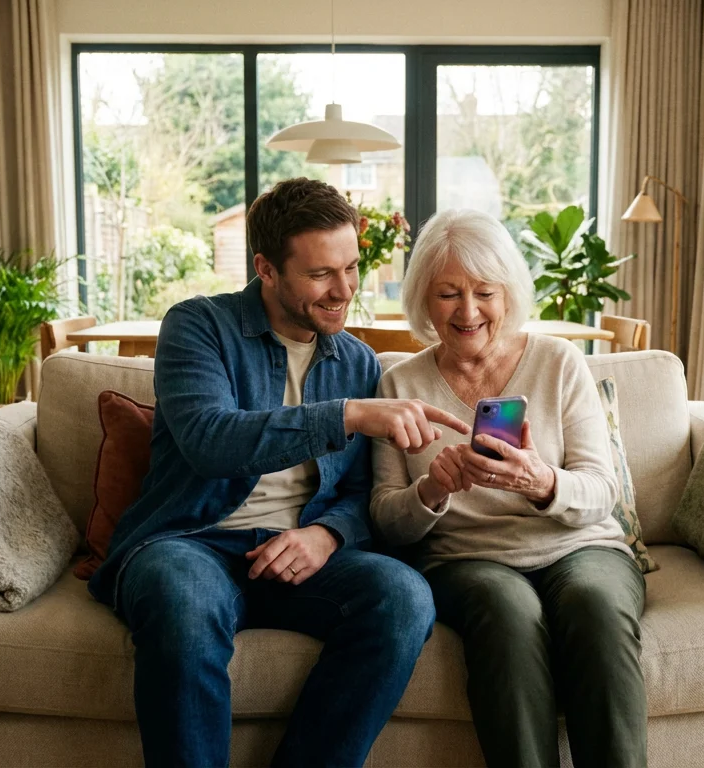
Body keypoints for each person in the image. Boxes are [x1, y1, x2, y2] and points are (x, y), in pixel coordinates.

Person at [89, 178, 470, 768]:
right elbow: (210, 440)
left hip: (301, 551)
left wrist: (328, 535)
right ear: (266, 269)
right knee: (182, 598)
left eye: (351, 267)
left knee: (403, 596)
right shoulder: (198, 327)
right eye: (321, 274)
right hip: (189, 542)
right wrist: (346, 415)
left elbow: (362, 490)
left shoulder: (357, 360)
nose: (344, 290)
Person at [369, 208, 648, 768]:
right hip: (467, 560)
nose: (468, 311)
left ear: (509, 295)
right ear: (424, 297)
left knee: (594, 603)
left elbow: (602, 489)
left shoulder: (559, 363)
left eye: (484, 292)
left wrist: (542, 482)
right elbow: (384, 519)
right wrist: (432, 489)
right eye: (448, 293)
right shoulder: (399, 382)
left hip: (579, 546)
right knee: (507, 607)